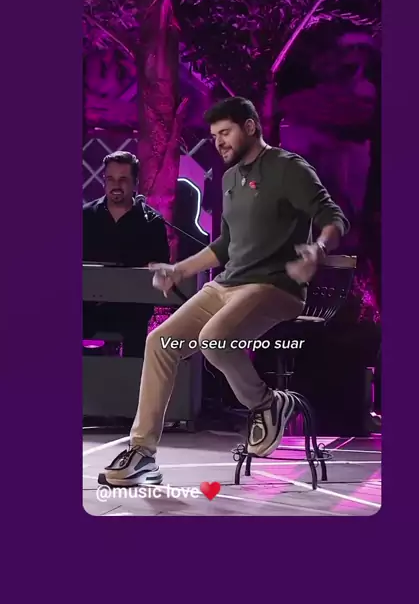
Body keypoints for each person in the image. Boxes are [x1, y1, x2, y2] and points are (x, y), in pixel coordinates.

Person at [100, 99, 349, 486]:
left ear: (250, 127)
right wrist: (179, 270)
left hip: (274, 285)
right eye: (214, 135)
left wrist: (317, 249)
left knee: (214, 339)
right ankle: (143, 453)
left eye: (225, 133)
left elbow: (333, 217)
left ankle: (267, 404)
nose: (219, 142)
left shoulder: (288, 168)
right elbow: (225, 244)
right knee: (160, 342)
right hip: (227, 284)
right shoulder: (231, 178)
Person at [83, 151, 170, 357]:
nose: (116, 185)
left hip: (132, 311)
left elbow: (160, 267)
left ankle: (134, 377)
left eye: (123, 179)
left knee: (137, 338)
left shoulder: (151, 222)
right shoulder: (85, 217)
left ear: (135, 183)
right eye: (110, 179)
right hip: (88, 308)